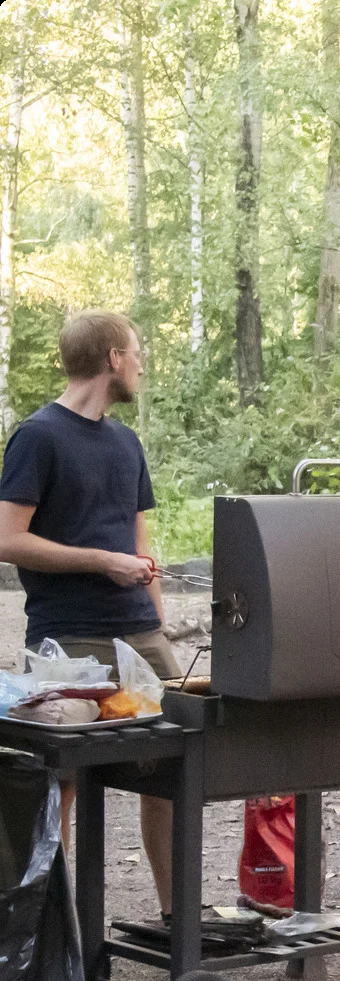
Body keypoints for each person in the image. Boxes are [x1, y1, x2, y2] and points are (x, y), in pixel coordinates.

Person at [0, 309, 178, 915]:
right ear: (111, 359)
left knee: (175, 770)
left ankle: (176, 917)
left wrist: (157, 624)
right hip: (67, 637)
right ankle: (59, 940)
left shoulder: (127, 442)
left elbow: (141, 545)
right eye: (136, 352)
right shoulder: (39, 436)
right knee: (62, 785)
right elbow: (8, 539)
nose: (141, 364)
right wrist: (101, 561)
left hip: (141, 634)